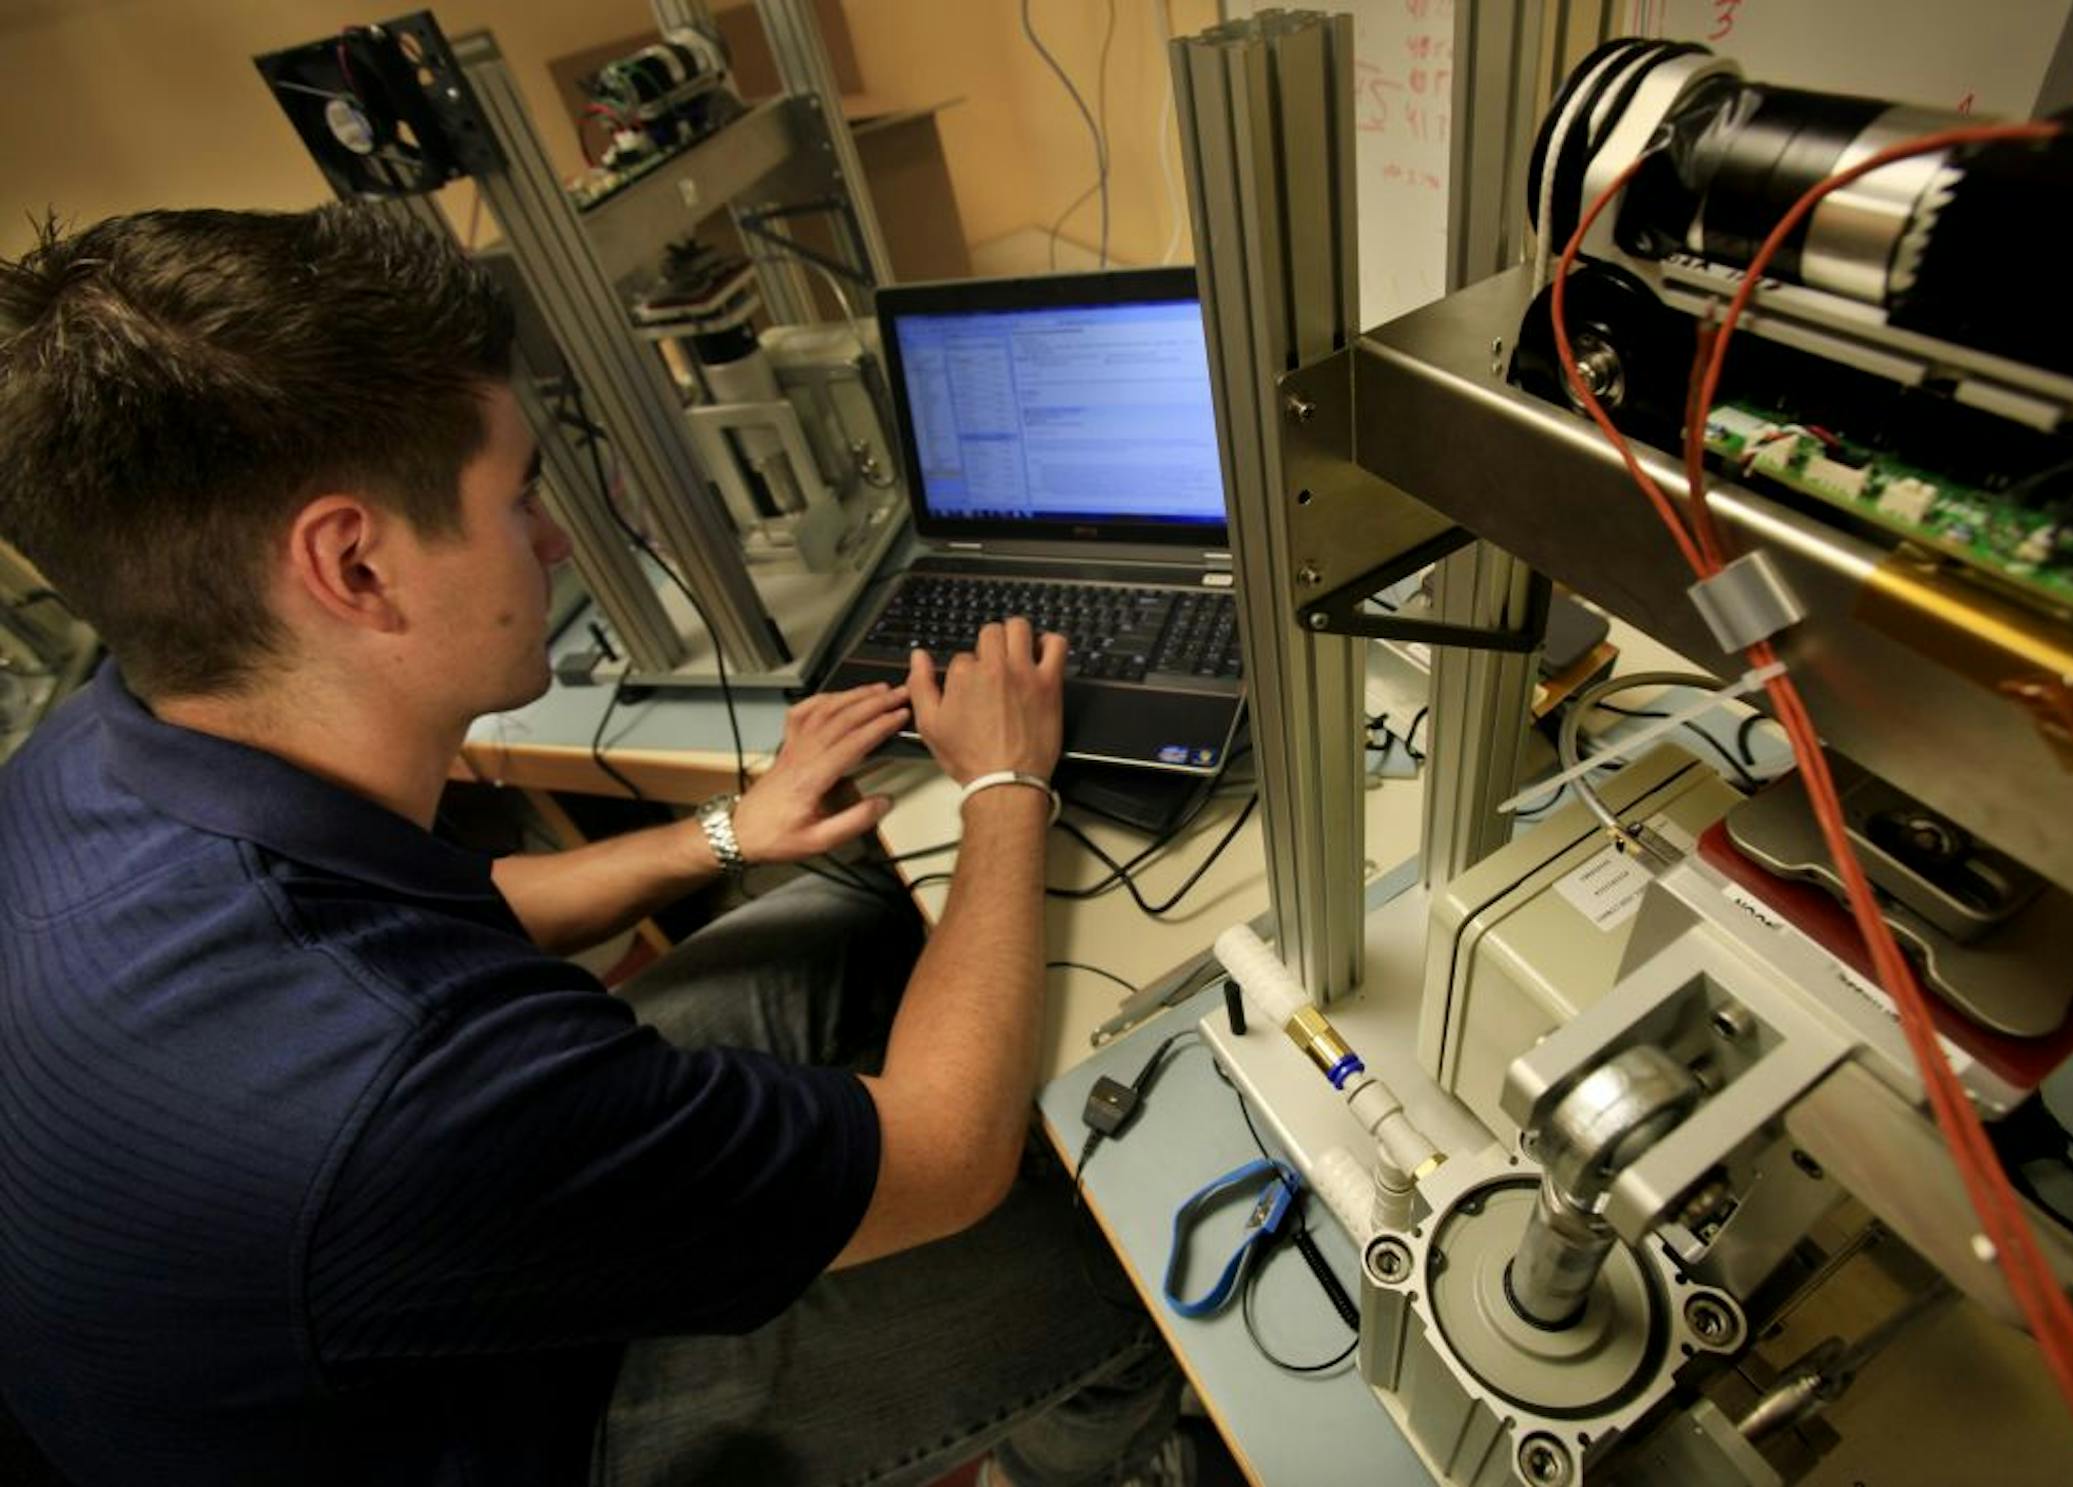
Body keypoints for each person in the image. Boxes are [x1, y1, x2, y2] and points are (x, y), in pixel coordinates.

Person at [0, 205, 1192, 1486]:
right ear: (354, 565)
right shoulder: (414, 1092)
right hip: (513, 1425)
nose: (558, 540)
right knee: (1117, 1252)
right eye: (519, 499)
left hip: (358, 1303)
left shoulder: (95, 750)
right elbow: (948, 1161)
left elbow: (449, 918)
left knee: (862, 920)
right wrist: (1007, 781)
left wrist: (729, 831)